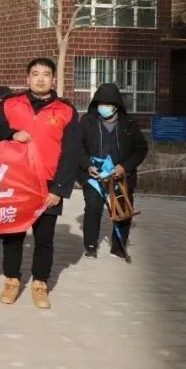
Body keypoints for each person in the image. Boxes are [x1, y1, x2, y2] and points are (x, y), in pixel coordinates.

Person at [0, 57, 78, 309]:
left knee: (44, 239)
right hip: (15, 182)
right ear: (27, 78)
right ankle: (11, 280)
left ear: (54, 79)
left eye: (46, 74)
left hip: (48, 184)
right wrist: (12, 134)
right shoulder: (11, 104)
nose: (40, 79)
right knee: (13, 236)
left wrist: (59, 189)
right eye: (35, 74)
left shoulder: (65, 110)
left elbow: (71, 152)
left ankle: (40, 283)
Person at [70, 83, 148, 260]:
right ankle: (90, 246)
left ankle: (118, 248)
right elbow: (78, 147)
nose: (104, 107)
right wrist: (87, 165)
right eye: (101, 104)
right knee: (93, 207)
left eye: (108, 104)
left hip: (120, 174)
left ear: (116, 105)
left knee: (122, 210)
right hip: (94, 174)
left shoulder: (129, 123)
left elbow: (140, 148)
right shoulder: (87, 121)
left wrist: (124, 167)